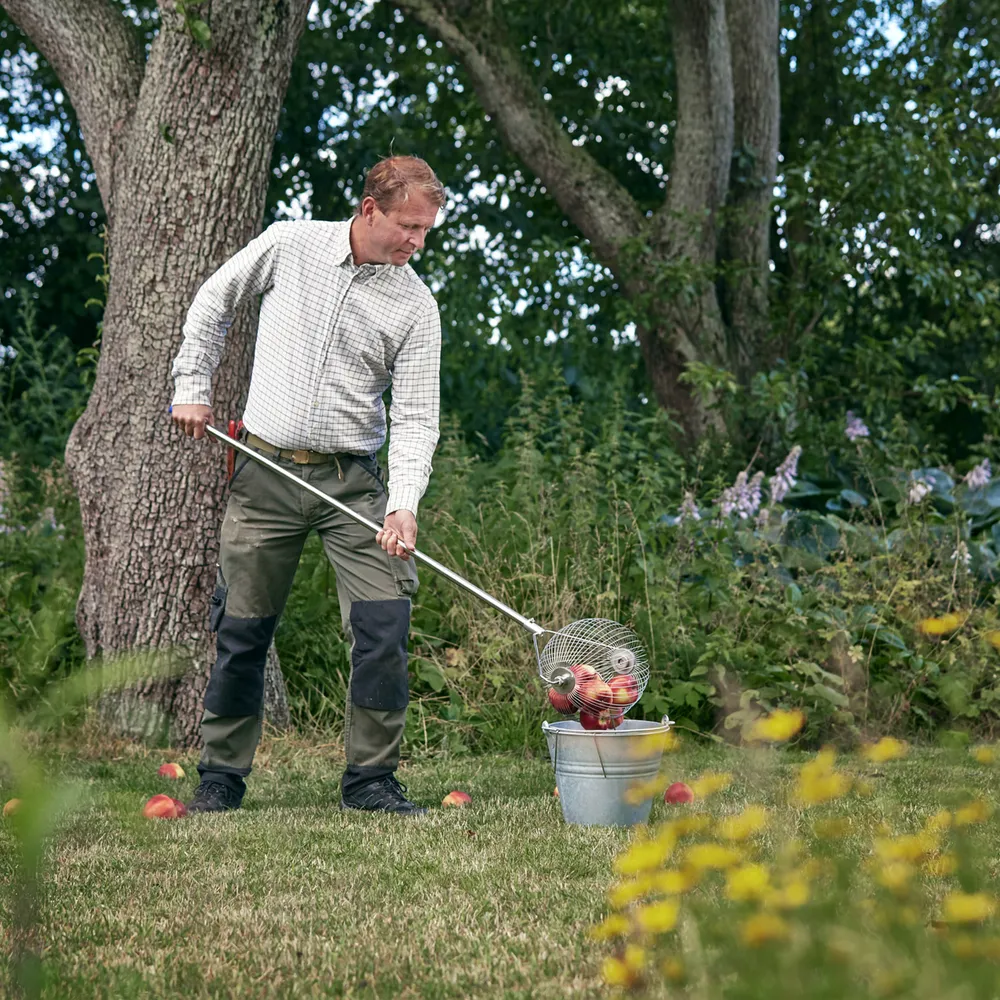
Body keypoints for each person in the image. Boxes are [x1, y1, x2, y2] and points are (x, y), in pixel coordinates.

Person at [170, 156, 444, 816]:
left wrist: (403, 506)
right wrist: (191, 386)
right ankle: (221, 776)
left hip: (352, 485)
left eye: (428, 230)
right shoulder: (291, 244)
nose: (418, 242)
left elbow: (415, 415)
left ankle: (371, 781)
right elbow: (215, 300)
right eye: (409, 226)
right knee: (243, 630)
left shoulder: (416, 305)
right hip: (262, 475)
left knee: (384, 623)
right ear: (370, 209)